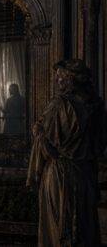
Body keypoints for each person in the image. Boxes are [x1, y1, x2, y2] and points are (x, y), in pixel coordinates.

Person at [27, 59, 106, 246]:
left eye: (60, 78)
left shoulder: (60, 105)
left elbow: (48, 147)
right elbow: (100, 143)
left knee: (60, 228)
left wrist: (38, 131)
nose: (57, 81)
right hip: (86, 173)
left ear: (71, 80)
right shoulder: (97, 107)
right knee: (84, 227)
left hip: (60, 174)